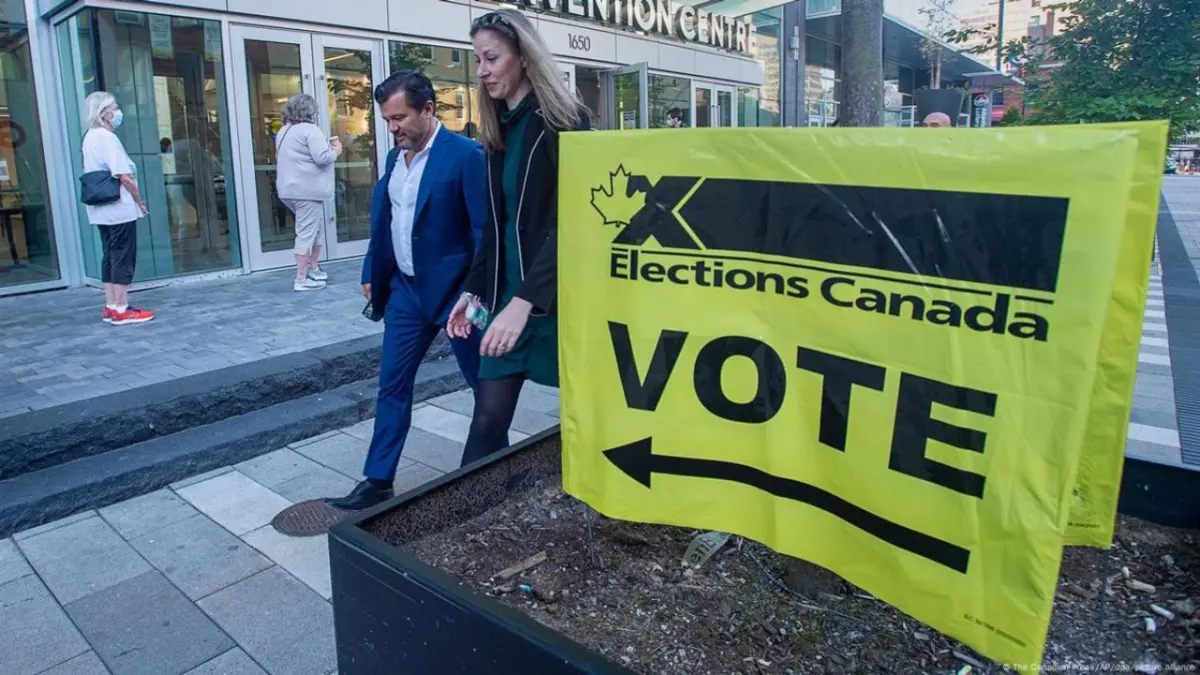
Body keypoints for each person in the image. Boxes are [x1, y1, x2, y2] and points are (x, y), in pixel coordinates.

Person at [327, 70, 489, 511]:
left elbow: (483, 233)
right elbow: (387, 220)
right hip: (406, 294)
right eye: (387, 119)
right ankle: (378, 479)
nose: (393, 127)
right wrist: (370, 270)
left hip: (458, 297)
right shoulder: (397, 158)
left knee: (485, 388)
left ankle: (496, 468)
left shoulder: (466, 156)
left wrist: (475, 295)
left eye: (400, 117)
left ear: (428, 110)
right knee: (391, 385)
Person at [445, 9, 591, 467]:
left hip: (557, 302)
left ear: (524, 57)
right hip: (506, 300)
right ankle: (463, 525)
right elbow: (496, 225)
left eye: (491, 58)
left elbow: (578, 223)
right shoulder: (495, 131)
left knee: (585, 420)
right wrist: (475, 288)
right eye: (478, 61)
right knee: (486, 422)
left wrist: (523, 302)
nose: (482, 71)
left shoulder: (567, 122)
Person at [81, 91, 153, 325]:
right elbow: (124, 175)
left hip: (100, 208)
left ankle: (111, 305)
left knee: (110, 255)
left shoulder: (89, 137)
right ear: (104, 112)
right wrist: (139, 201)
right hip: (118, 206)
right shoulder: (107, 138)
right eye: (114, 107)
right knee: (123, 254)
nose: (118, 111)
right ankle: (122, 307)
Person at [275, 93, 342, 291]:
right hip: (307, 191)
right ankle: (301, 278)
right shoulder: (310, 130)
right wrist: (336, 150)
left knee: (315, 229)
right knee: (306, 232)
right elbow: (322, 158)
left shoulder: (284, 131)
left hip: (289, 189)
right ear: (310, 111)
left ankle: (314, 268)